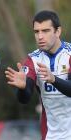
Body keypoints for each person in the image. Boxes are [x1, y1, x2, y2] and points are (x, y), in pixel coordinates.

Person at [5, 10, 71, 140]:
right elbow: (24, 99)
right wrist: (23, 88)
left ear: (58, 32)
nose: (40, 36)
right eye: (37, 31)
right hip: (51, 136)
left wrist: (54, 79)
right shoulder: (32, 60)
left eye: (45, 31)